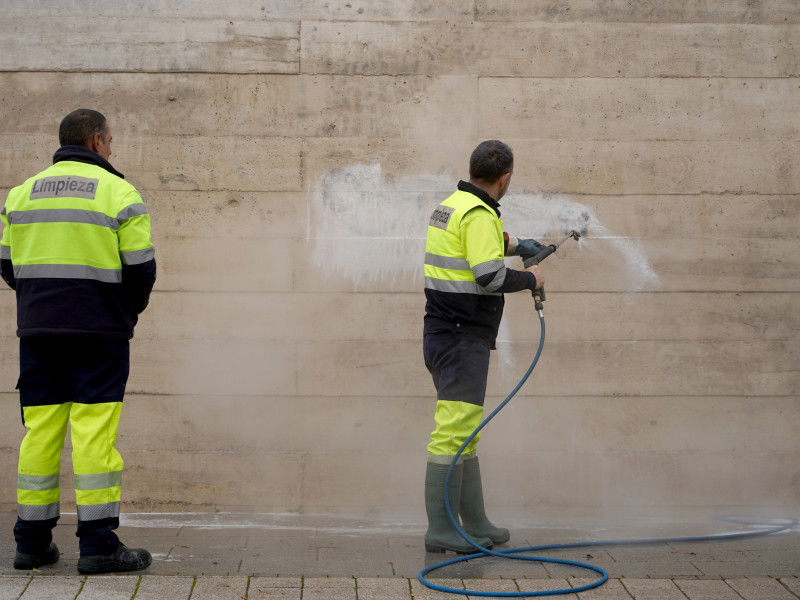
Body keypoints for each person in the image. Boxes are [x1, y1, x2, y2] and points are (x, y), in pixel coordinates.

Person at [0, 109, 156, 574]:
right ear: (95, 140)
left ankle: (31, 544)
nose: (112, 148)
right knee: (93, 433)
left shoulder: (21, 194)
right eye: (110, 140)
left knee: (41, 431)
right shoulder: (118, 192)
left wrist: (41, 306)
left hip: (39, 333)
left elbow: (8, 266)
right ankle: (98, 545)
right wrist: (122, 314)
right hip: (97, 334)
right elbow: (141, 270)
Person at [422, 140, 545, 553]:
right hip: (460, 337)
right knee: (452, 433)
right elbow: (489, 277)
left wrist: (517, 245)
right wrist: (531, 279)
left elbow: (471, 243)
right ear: (505, 178)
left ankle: (474, 523)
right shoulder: (477, 214)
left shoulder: (454, 204)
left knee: (465, 434)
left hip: (447, 333)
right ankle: (441, 529)